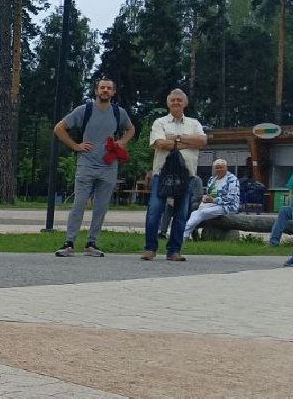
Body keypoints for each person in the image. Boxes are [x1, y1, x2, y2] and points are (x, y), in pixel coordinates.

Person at [52, 77, 134, 257]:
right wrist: (75, 146)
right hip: (87, 164)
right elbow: (59, 128)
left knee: (101, 206)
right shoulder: (84, 110)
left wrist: (122, 142)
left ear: (113, 92)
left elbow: (131, 129)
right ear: (96, 91)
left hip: (109, 165)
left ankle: (92, 243)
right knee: (79, 203)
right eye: (102, 88)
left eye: (109, 88)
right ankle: (69, 242)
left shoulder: (119, 112)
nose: (105, 91)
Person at [142, 89, 207, 262]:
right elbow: (160, 143)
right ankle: (150, 248)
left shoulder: (194, 123)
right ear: (168, 103)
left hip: (187, 175)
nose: (176, 102)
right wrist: (187, 141)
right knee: (155, 210)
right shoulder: (159, 122)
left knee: (181, 213)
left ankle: (174, 250)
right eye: (173, 100)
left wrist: (176, 138)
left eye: (180, 100)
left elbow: (202, 141)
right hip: (162, 174)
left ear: (185, 103)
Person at [182, 158, 240, 238]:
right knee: (194, 213)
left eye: (222, 167)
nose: (219, 169)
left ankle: (183, 235)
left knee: (203, 212)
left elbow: (231, 198)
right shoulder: (212, 179)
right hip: (212, 204)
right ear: (214, 169)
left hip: (228, 206)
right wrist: (205, 198)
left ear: (226, 168)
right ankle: (185, 235)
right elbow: (209, 194)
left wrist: (214, 200)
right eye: (217, 167)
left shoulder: (232, 179)